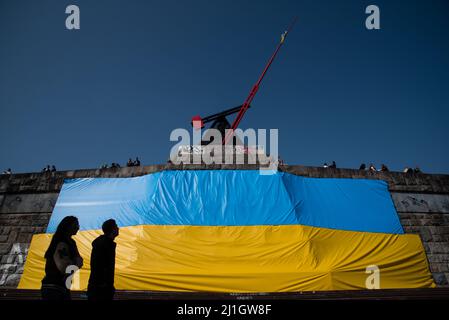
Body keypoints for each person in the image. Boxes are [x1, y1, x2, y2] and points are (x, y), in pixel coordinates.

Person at [41, 216, 83, 300]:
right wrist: (75, 262)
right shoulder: (61, 242)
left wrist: (73, 263)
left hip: (59, 286)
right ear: (68, 226)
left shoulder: (70, 242)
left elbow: (79, 262)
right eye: (75, 225)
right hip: (55, 287)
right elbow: (64, 267)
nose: (78, 227)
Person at [87, 219, 119, 301]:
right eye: (116, 226)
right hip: (100, 289)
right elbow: (101, 266)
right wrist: (105, 285)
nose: (118, 228)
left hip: (99, 287)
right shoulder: (105, 245)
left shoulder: (103, 243)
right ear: (112, 230)